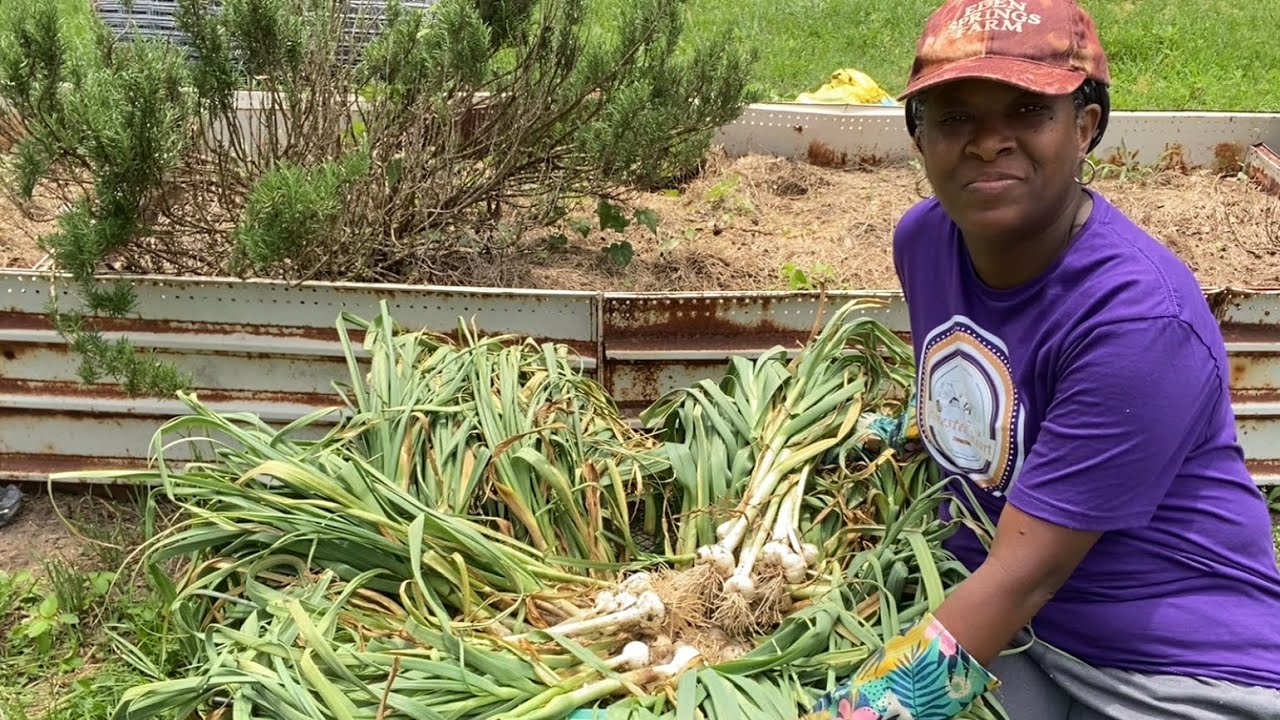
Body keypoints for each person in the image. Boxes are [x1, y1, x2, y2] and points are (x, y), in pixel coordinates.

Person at [802, 1, 1280, 718]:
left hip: (1174, 671)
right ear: (919, 137)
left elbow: (1024, 579)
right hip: (1026, 638)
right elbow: (984, 386)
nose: (988, 142)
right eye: (955, 117)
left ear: (1084, 128)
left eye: (1028, 110)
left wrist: (868, 710)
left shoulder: (1136, 320)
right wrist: (902, 428)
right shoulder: (925, 241)